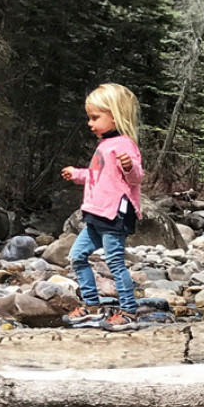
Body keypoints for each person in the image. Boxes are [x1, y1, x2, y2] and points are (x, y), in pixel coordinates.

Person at [61, 83, 144, 331]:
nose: (90, 123)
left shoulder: (125, 144)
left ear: (115, 115)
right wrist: (77, 174)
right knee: (77, 255)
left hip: (115, 215)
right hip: (96, 214)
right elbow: (99, 175)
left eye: (96, 117)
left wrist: (129, 166)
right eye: (90, 117)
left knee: (116, 262)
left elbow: (136, 178)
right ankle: (93, 307)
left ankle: (129, 311)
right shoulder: (104, 145)